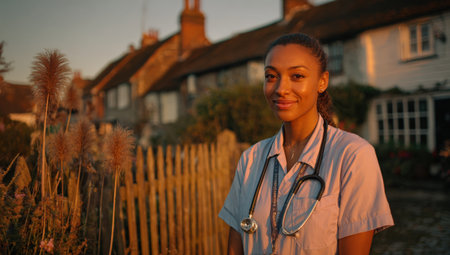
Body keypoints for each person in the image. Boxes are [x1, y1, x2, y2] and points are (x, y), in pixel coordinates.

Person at [219, 33, 394, 255]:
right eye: (271, 76)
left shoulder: (353, 156)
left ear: (322, 81)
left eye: (297, 76)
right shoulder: (251, 159)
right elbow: (235, 248)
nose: (281, 88)